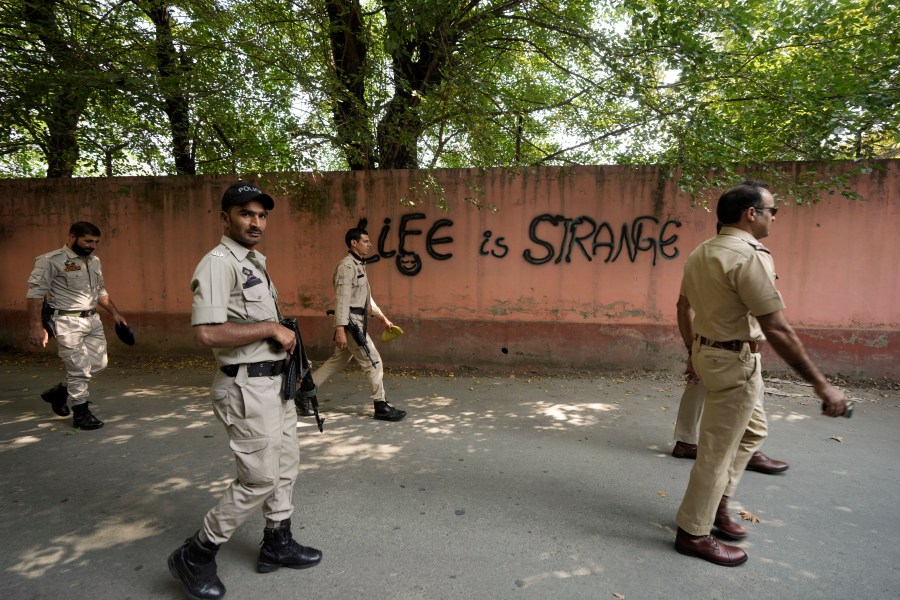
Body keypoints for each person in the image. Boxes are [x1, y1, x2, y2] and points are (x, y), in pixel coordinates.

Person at [673, 181, 848, 567]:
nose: (774, 217)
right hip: (734, 362)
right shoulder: (748, 256)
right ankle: (694, 532)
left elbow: (683, 306)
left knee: (752, 432)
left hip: (709, 353)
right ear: (750, 213)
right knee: (716, 454)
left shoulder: (703, 252)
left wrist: (693, 352)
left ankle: (718, 502)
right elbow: (777, 327)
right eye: (772, 210)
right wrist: (821, 385)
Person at [168, 182, 321, 600]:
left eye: (261, 215)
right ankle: (197, 554)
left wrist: (290, 352)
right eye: (245, 213)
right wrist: (271, 328)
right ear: (225, 218)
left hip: (275, 383)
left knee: (286, 464)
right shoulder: (219, 263)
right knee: (258, 477)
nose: (255, 222)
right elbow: (206, 333)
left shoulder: (254, 262)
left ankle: (277, 542)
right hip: (246, 388)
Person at [26, 221, 128, 430]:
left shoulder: (94, 261)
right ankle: (81, 414)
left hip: (92, 319)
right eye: (88, 241)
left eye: (96, 242)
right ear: (72, 236)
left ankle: (59, 393)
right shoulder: (50, 261)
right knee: (79, 368)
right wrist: (36, 326)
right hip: (66, 322)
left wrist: (115, 314)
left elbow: (100, 291)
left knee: (99, 364)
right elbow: (35, 295)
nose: (92, 245)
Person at [305, 226, 406, 422]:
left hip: (357, 321)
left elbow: (366, 299)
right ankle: (381, 405)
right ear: (354, 243)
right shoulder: (346, 267)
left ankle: (304, 393)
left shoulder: (359, 265)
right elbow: (342, 301)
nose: (369, 244)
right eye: (365, 241)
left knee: (338, 361)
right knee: (374, 362)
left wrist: (383, 318)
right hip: (351, 324)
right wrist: (340, 329)